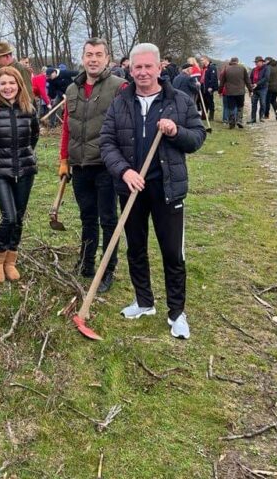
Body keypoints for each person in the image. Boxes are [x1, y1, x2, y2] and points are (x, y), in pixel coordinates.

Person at [99, 43, 206, 340]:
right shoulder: (121, 102)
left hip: (167, 189)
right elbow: (106, 143)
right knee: (136, 248)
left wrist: (177, 132)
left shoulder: (179, 101)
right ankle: (144, 302)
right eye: (137, 67)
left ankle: (176, 313)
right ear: (130, 70)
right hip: (132, 188)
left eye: (148, 66)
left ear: (160, 68)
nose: (143, 72)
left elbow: (197, 138)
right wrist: (124, 170)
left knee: (172, 252)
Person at [59, 38, 125, 293]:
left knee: (108, 219)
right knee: (87, 216)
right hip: (80, 165)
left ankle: (107, 269)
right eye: (89, 54)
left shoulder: (119, 87)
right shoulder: (72, 89)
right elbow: (66, 127)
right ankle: (86, 262)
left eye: (98, 54)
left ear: (107, 59)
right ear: (83, 57)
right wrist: (64, 159)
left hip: (106, 165)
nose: (93, 59)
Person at [0, 66, 39, 282]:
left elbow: (34, 135)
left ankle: (11, 260)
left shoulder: (29, 108)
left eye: (12, 83)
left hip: (25, 170)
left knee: (19, 218)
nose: (8, 87)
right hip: (0, 172)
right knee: (9, 217)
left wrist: (24, 153)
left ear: (19, 85)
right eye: (3, 83)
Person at [219, 56, 253, 129]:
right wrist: (250, 90)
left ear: (231, 62)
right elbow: (247, 81)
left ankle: (231, 122)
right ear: (237, 61)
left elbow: (222, 82)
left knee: (231, 107)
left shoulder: (226, 69)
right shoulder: (242, 68)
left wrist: (220, 91)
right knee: (240, 106)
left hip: (229, 92)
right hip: (240, 92)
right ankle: (239, 120)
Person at [248, 56, 269, 123]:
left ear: (262, 62)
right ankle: (253, 118)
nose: (256, 63)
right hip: (254, 89)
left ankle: (261, 117)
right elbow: (251, 78)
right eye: (255, 62)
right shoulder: (254, 69)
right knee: (254, 104)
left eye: (257, 62)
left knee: (262, 103)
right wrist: (251, 85)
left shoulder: (266, 68)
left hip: (263, 88)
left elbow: (266, 78)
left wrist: (257, 83)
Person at [199, 55, 218, 121]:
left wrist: (211, 87)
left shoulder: (212, 67)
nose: (201, 61)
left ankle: (211, 116)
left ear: (206, 60)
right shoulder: (204, 68)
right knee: (203, 102)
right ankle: (204, 115)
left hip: (208, 88)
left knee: (210, 101)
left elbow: (213, 78)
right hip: (202, 87)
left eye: (202, 60)